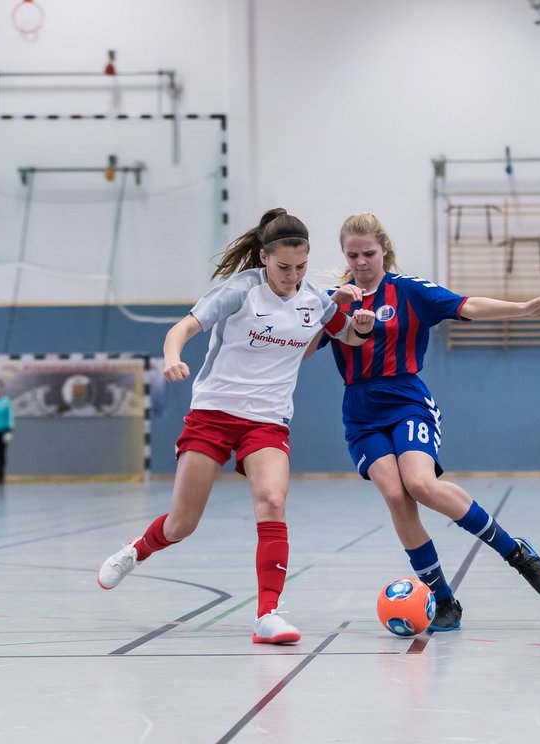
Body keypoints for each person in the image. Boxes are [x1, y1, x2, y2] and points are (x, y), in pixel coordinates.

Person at [94, 208, 376, 645]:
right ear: (264, 258)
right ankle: (136, 551)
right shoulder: (241, 291)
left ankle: (268, 613)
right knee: (182, 524)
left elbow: (349, 336)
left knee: (272, 499)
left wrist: (360, 325)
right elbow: (182, 328)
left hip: (267, 421)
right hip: (213, 414)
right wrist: (172, 358)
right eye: (284, 267)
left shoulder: (315, 299)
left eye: (301, 266)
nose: (293, 275)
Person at [320, 212, 540, 633]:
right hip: (360, 412)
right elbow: (302, 346)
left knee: (420, 485)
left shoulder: (409, 291)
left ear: (384, 251)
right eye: (352, 254)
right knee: (396, 497)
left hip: (405, 399)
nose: (360, 262)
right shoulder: (334, 299)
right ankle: (445, 600)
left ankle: (515, 552)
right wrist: (327, 312)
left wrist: (522, 308)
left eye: (368, 253)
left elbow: (466, 306)